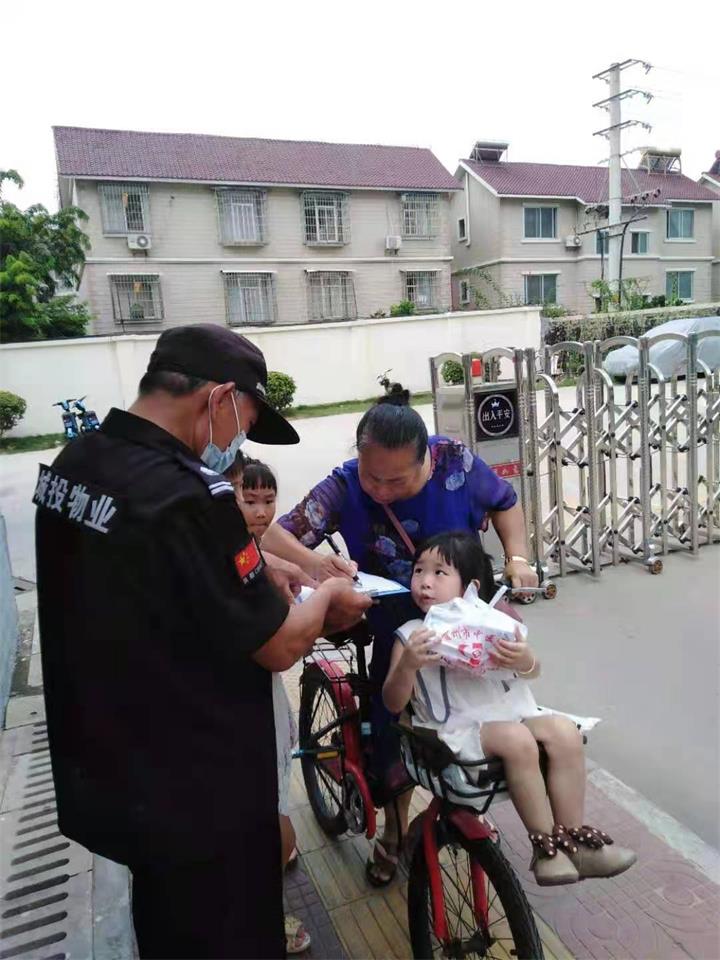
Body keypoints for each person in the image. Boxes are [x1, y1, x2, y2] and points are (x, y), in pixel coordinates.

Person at [34, 324, 371, 959]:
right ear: (217, 399)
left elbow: (157, 578)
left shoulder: (77, 464)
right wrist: (328, 596)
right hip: (199, 793)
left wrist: (268, 568)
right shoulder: (191, 493)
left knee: (166, 929)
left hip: (113, 771)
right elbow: (278, 645)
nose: (238, 443)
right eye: (244, 421)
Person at [262, 383, 539, 886]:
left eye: (396, 480)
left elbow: (505, 501)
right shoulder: (346, 485)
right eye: (372, 476)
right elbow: (275, 533)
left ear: (425, 461)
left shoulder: (455, 462)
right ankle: (393, 832)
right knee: (395, 730)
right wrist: (315, 564)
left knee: (482, 717)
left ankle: (461, 808)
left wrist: (518, 557)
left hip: (466, 628)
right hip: (396, 631)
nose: (381, 490)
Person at [383, 532, 637, 886]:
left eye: (439, 573)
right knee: (517, 739)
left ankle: (576, 840)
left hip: (505, 716)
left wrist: (524, 659)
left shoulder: (493, 623)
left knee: (564, 731)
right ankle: (545, 847)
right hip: (453, 731)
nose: (425, 581)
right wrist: (409, 664)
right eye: (418, 571)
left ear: (470, 587)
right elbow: (393, 703)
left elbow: (531, 672)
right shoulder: (412, 635)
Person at [226, 455, 309, 954]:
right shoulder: (229, 551)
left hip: (249, 691)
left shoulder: (243, 545)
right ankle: (267, 916)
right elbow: (280, 650)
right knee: (272, 812)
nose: (259, 511)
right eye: (247, 498)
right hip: (249, 691)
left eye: (267, 500)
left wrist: (299, 567)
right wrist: (323, 602)